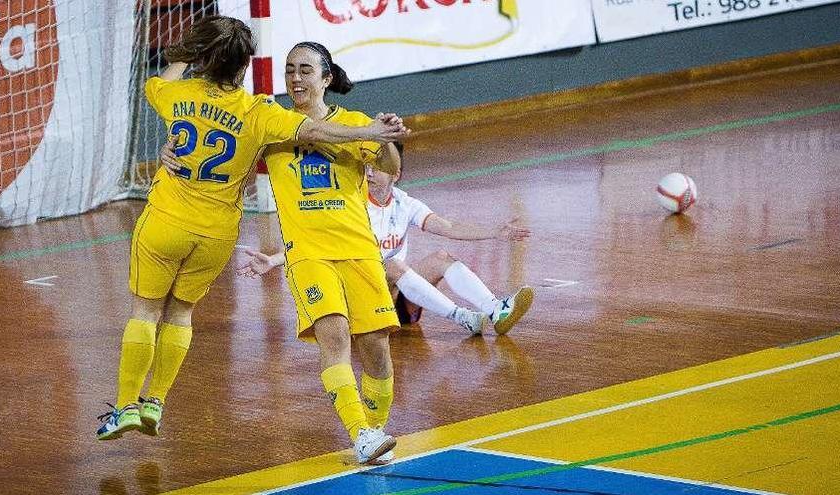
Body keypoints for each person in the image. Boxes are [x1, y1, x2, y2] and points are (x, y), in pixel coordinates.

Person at [97, 15, 408, 458]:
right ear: (247, 67)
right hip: (271, 245)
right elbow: (312, 132)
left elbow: (387, 166)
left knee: (376, 348)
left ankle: (130, 404)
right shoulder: (266, 119)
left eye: (305, 69)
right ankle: (360, 433)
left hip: (346, 246)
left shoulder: (206, 101)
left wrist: (382, 136)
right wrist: (370, 132)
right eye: (290, 69)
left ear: (327, 77)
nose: (295, 77)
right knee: (331, 335)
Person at [244, 142, 534, 336]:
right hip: (360, 299)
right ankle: (464, 318)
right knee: (393, 265)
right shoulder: (350, 203)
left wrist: (495, 232)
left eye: (378, 166)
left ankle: (496, 310)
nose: (370, 172)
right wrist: (274, 259)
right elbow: (315, 239)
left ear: (396, 174)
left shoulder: (404, 203)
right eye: (367, 164)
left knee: (441, 258)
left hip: (396, 296)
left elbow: (448, 226)